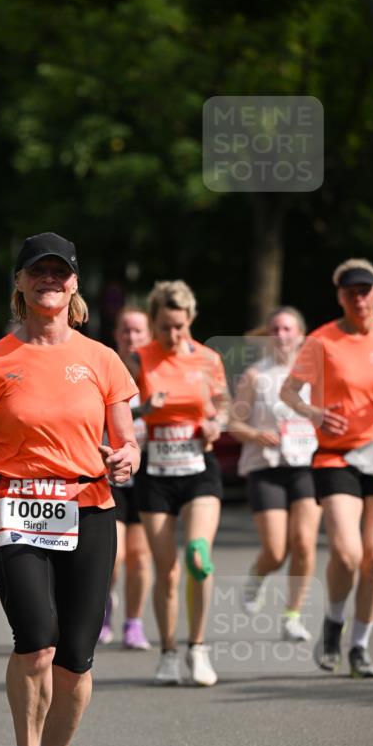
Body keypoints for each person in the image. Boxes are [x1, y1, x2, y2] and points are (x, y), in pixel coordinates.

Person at [0, 232, 139, 746]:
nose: (49, 281)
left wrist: (127, 457)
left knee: (76, 656)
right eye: (38, 273)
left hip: (88, 508)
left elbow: (127, 439)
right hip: (19, 509)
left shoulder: (103, 359)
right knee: (36, 640)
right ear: (21, 285)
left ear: (74, 284)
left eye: (59, 273)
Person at [281, 259, 373, 679]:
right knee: (348, 554)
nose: (359, 297)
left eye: (366, 290)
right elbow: (288, 392)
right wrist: (314, 413)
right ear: (340, 296)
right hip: (336, 455)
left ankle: (360, 646)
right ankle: (333, 621)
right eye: (351, 291)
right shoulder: (322, 341)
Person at [130, 280, 228, 687]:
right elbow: (117, 411)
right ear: (154, 322)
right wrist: (142, 409)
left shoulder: (208, 359)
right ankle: (169, 651)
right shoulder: (139, 359)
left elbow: (222, 407)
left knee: (199, 558)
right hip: (157, 473)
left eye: (181, 327)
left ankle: (198, 648)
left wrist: (215, 424)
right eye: (166, 327)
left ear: (190, 321)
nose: (173, 335)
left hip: (198, 467)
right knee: (167, 571)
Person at [229, 307, 321, 640]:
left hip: (306, 465)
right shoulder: (256, 375)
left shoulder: (316, 374)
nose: (281, 335)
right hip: (266, 466)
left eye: (287, 329)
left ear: (300, 335)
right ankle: (257, 576)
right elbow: (234, 422)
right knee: (276, 550)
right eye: (276, 329)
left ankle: (292, 616)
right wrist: (255, 434)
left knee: (305, 545)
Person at [99, 305, 153, 650]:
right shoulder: (104, 368)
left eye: (138, 331)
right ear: (117, 335)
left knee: (141, 556)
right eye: (126, 331)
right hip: (110, 472)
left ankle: (134, 622)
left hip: (150, 474)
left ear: (148, 336)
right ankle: (104, 608)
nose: (132, 337)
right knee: (113, 555)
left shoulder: (160, 373)